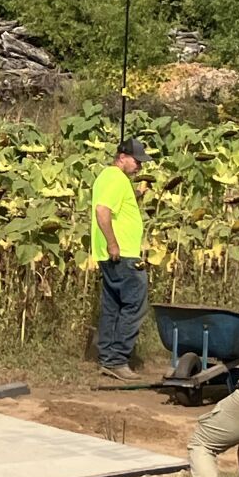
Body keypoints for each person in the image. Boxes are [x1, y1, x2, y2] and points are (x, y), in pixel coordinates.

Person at [90, 138, 151, 381]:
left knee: (113, 305)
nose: (139, 167)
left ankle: (107, 357)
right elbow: (102, 211)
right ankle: (117, 359)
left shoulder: (109, 178)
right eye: (137, 161)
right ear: (122, 157)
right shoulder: (116, 178)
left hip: (111, 255)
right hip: (122, 254)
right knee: (135, 305)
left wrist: (135, 194)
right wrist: (114, 243)